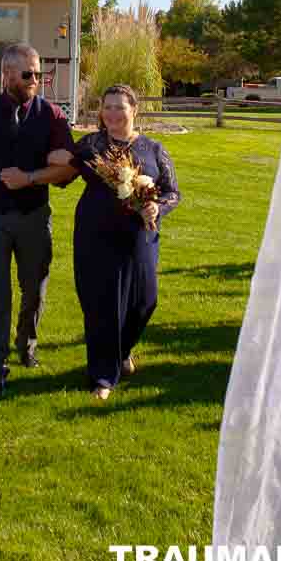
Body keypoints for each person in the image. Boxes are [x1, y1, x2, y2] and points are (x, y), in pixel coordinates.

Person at [0, 43, 74, 396]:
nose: (35, 79)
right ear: (6, 74)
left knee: (34, 290)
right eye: (28, 74)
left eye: (39, 73)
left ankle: (27, 345)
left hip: (34, 217)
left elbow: (69, 167)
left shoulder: (52, 115)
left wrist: (31, 177)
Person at [48, 84, 180, 400]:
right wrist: (52, 160)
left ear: (134, 110)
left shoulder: (153, 148)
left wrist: (157, 206)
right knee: (101, 304)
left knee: (145, 300)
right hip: (96, 233)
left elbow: (172, 191)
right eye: (107, 107)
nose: (112, 113)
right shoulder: (92, 144)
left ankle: (122, 351)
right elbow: (64, 173)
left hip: (139, 235)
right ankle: (103, 377)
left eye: (119, 107)